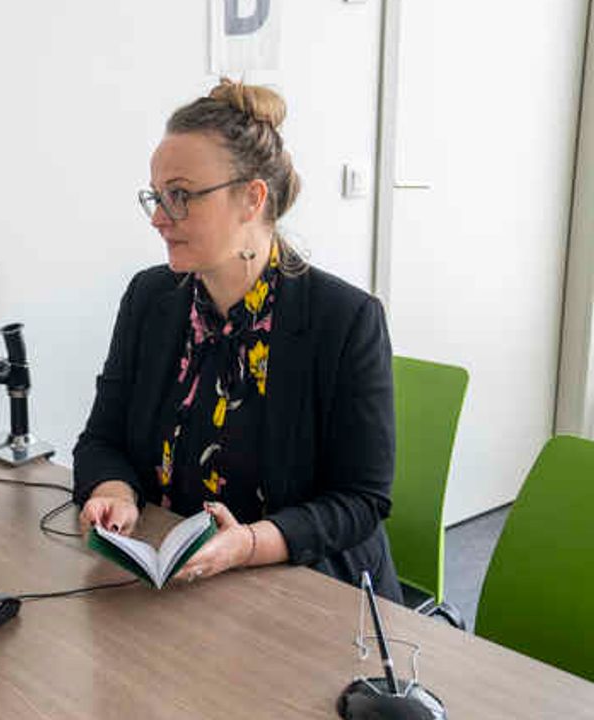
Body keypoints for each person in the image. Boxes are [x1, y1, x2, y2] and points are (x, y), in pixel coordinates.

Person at [73, 80, 402, 601]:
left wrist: (248, 544)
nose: (159, 218)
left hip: (305, 589)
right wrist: (115, 492)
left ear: (252, 197)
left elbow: (361, 501)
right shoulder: (150, 298)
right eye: (156, 197)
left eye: (180, 196)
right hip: (178, 586)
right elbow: (102, 439)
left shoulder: (345, 320)